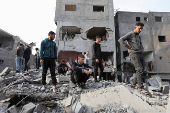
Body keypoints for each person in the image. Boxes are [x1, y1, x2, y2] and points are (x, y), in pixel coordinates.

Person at [118, 22, 145, 91]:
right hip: (134, 54)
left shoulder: (138, 36)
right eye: (139, 28)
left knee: (142, 69)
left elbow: (140, 44)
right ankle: (140, 87)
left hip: (140, 53)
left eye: (142, 29)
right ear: (135, 27)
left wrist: (142, 49)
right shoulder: (130, 34)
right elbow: (120, 40)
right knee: (139, 69)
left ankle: (133, 83)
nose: (141, 30)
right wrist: (127, 46)